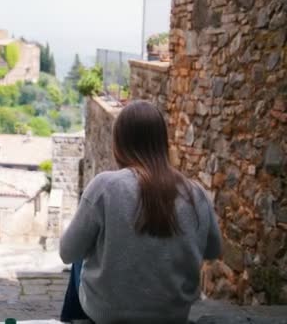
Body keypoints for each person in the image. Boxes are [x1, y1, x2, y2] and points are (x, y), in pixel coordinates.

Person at [59, 100, 222, 324]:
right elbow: (213, 250)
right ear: (162, 144)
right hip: (172, 316)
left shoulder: (105, 187)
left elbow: (67, 252)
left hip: (107, 316)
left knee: (81, 256)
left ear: (120, 143)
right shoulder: (196, 194)